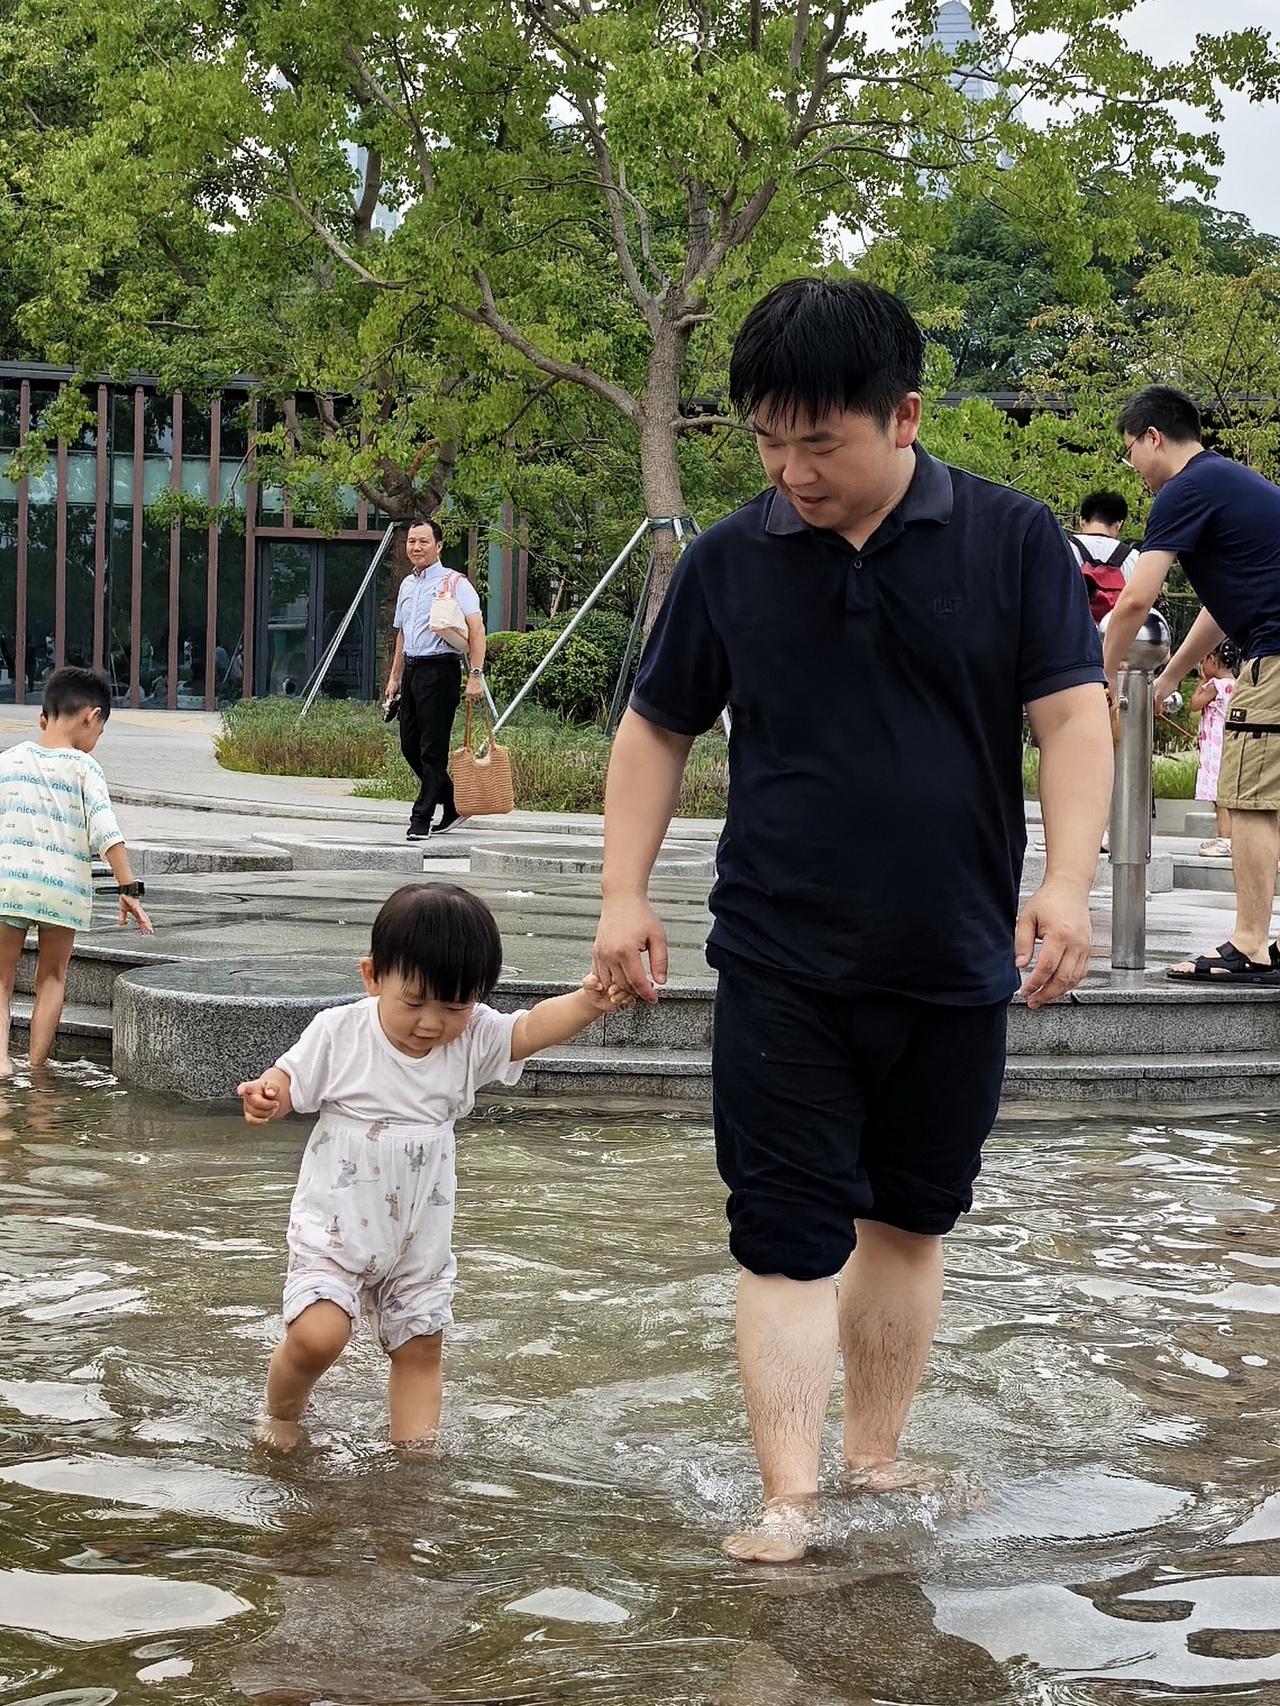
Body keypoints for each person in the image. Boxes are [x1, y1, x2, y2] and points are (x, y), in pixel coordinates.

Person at [592, 278, 1113, 1563]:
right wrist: (620, 892)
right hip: (779, 950)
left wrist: (1063, 881)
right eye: (768, 441)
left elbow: (1070, 714)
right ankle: (788, 1494)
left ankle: (872, 1456)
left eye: (818, 441)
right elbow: (654, 728)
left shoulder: (1008, 540)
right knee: (781, 1230)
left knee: (910, 1217)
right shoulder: (727, 558)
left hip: (949, 952)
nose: (791, 470)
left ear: (904, 415)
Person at [237, 882, 631, 1450]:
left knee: (420, 1347)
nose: (431, 1023)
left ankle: (414, 1459)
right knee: (320, 1335)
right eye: (415, 1001)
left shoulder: (468, 1039)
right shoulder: (341, 1032)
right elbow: (290, 1077)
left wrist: (589, 1001)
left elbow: (529, 1029)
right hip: (338, 1229)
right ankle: (281, 1413)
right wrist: (270, 1094)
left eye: (454, 1005)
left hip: (418, 1238)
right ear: (373, 976)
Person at [1103, 386, 1280, 982]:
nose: (1133, 466)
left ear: (1153, 438)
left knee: (1249, 797)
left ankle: (1251, 945)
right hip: (1268, 642)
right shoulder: (1227, 483)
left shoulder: (1184, 490)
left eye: (1130, 450)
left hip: (1276, 658)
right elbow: (1229, 607)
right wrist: (1171, 674)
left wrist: (1101, 673)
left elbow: (1134, 600)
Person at [0, 666, 152, 1075]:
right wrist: (128, 888)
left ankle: (0, 1064)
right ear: (91, 716)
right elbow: (107, 831)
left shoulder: (7, 761)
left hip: (7, 886)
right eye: (99, 732)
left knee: (0, 979)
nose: (95, 742)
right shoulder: (85, 769)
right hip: (60, 890)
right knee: (52, 977)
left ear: (43, 716)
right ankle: (35, 1068)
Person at [383, 520, 487, 842]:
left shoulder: (455, 583)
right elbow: (402, 634)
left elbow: (477, 630)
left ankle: (421, 817)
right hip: (412, 670)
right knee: (409, 745)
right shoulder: (407, 586)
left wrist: (476, 675)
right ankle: (454, 802)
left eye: (423, 542)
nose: (416, 547)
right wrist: (394, 677)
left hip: (440, 670)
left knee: (432, 748)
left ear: (439, 546)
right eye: (412, 541)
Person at [1190, 642, 1239, 858]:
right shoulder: (1236, 684)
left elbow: (1194, 704)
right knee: (1224, 796)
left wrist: (1201, 679)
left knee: (1219, 798)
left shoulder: (1214, 686)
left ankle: (1225, 838)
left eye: (1203, 660)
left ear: (1213, 660)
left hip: (1215, 747)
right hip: (1228, 744)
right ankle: (1226, 836)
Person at [1068, 490, 1140, 624]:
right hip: (1114, 638)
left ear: (1082, 520)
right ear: (1119, 524)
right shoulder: (1134, 558)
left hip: (1072, 636)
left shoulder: (1064, 548)